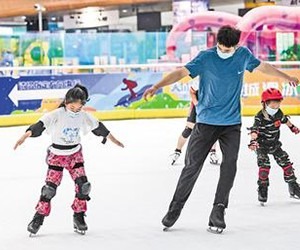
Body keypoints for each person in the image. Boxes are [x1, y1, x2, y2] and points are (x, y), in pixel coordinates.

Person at [142, 25, 299, 233]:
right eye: (222, 48)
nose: (224, 52)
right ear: (217, 43)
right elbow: (180, 72)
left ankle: (218, 210)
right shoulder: (205, 58)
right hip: (206, 122)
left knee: (229, 166)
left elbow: (264, 67)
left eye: (228, 49)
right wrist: (157, 86)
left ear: (236, 45)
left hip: (231, 124)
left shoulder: (243, 55)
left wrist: (286, 77)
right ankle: (175, 209)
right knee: (192, 167)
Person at [14, 84, 124, 235]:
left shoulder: (83, 115)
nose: (75, 110)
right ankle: (38, 217)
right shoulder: (57, 114)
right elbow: (40, 125)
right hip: (57, 156)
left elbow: (98, 127)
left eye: (79, 107)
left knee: (83, 186)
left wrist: (112, 138)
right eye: (73, 107)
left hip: (74, 155)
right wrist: (26, 135)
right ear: (67, 102)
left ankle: (78, 216)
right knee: (49, 189)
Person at [248, 88, 300, 205]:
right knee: (264, 167)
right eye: (273, 103)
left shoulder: (279, 113)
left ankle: (293, 187)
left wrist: (292, 127)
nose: (276, 105)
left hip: (275, 145)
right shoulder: (259, 116)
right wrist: (253, 141)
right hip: (261, 146)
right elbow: (254, 130)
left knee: (287, 165)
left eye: (278, 102)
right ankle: (262, 189)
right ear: (265, 103)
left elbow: (285, 120)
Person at [171, 87, 219, 165]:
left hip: (208, 108)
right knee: (188, 130)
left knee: (212, 130)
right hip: (197, 107)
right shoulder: (201, 90)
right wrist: (193, 97)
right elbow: (195, 102)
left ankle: (212, 152)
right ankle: (177, 151)